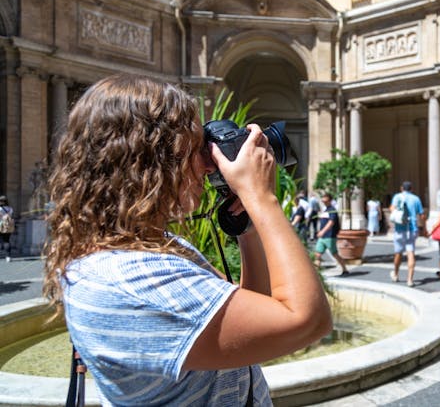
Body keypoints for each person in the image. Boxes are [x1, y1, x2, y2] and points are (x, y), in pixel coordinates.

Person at [42, 75, 332, 406]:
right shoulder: (130, 279)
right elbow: (308, 321)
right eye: (196, 148)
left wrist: (247, 228)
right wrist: (261, 196)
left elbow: (256, 315)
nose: (210, 165)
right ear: (150, 161)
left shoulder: (152, 246)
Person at [389, 181, 424, 287]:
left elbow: (392, 209)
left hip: (400, 229)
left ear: (401, 188)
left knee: (398, 253)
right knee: (411, 253)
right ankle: (410, 280)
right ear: (411, 189)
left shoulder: (397, 197)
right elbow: (421, 215)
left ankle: (395, 273)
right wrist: (424, 228)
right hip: (412, 229)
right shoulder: (416, 199)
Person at [314, 192, 349, 276]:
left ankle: (345, 269)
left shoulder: (332, 210)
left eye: (325, 197)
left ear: (329, 199)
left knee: (334, 254)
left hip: (329, 236)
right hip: (322, 237)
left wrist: (323, 231)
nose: (323, 199)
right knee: (317, 254)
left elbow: (331, 222)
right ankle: (316, 273)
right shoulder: (325, 210)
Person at [0, 195, 14, 262]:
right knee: (7, 241)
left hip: (0, 225)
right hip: (7, 227)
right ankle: (8, 256)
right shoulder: (10, 208)